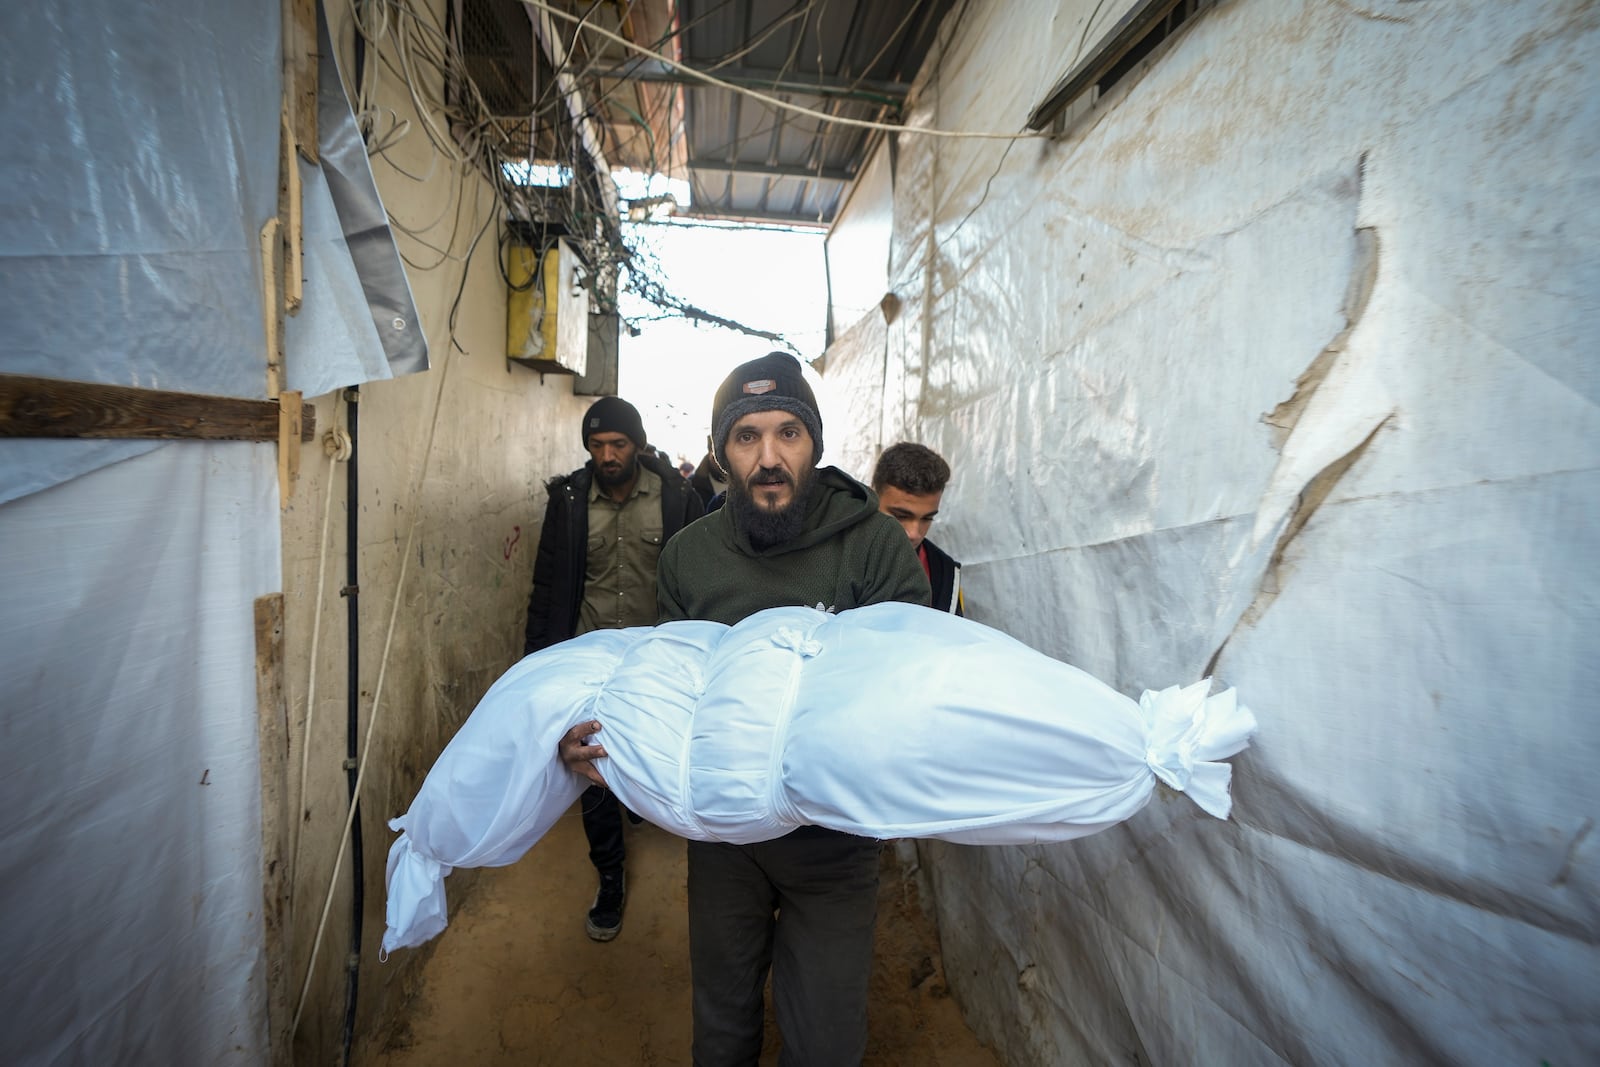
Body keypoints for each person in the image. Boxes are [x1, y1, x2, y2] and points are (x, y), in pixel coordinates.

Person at [559, 351, 930, 1064]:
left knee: (824, 1040)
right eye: (747, 436)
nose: (769, 457)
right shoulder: (689, 557)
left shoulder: (873, 544)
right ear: (721, 452)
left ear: (815, 443)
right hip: (725, 838)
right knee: (722, 1030)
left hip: (835, 836)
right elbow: (673, 693)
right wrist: (613, 752)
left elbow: (909, 683)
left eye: (789, 432)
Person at [524, 395, 703, 941]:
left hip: (657, 660)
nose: (607, 455)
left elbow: (701, 581)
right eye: (597, 445)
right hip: (590, 659)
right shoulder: (571, 501)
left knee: (654, 752)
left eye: (617, 444)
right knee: (594, 764)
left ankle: (643, 802)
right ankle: (610, 877)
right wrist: (537, 663)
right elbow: (548, 585)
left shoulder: (678, 499)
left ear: (638, 444)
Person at [871, 442, 964, 616]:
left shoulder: (946, 574)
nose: (914, 533)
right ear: (872, 496)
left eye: (927, 518)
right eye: (900, 516)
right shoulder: (832, 555)